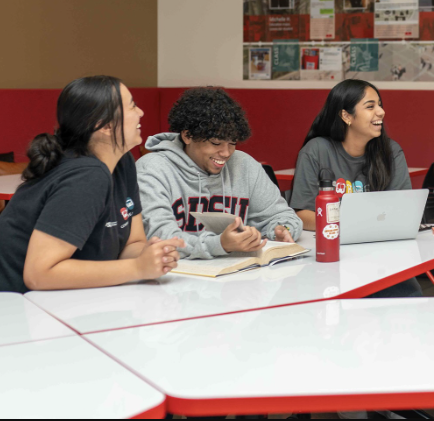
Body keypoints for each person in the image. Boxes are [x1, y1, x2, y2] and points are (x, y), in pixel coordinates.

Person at [0, 76, 184, 294]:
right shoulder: (86, 176)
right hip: (16, 305)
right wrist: (136, 268)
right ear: (105, 125)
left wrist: (152, 256)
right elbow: (39, 274)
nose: (141, 112)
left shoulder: (123, 162)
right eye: (132, 106)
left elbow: (132, 243)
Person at [290, 78, 422, 300]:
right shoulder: (316, 151)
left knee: (408, 304)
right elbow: (302, 215)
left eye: (379, 104)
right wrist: (354, 224)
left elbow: (401, 212)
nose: (381, 112)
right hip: (333, 256)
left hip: (384, 256)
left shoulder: (391, 151)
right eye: (370, 107)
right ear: (346, 116)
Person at [136, 87, 303, 260]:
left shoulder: (244, 165)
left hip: (238, 277)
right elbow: (160, 236)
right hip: (172, 277)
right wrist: (219, 244)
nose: (226, 153)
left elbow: (282, 215)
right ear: (187, 136)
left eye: (232, 143)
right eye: (216, 143)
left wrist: (281, 230)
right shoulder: (153, 169)